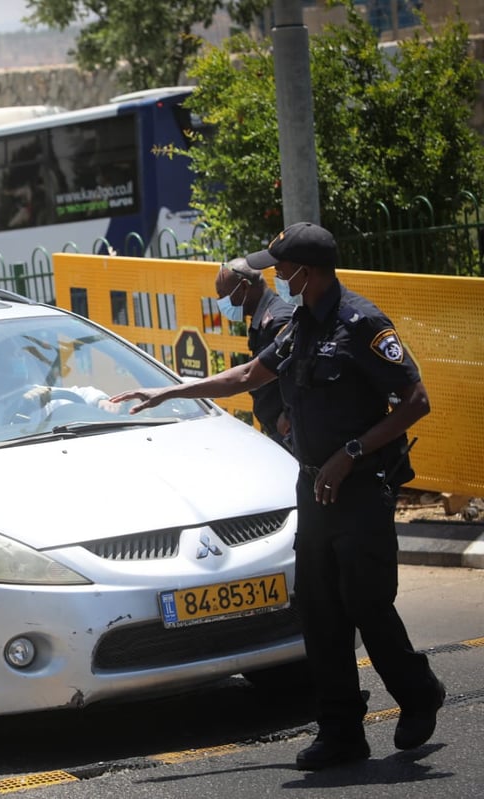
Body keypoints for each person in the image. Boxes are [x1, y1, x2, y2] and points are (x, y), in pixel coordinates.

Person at [111, 222, 444, 771]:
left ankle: (418, 693)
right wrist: (169, 389)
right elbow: (249, 373)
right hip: (315, 487)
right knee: (318, 611)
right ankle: (341, 732)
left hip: (360, 488)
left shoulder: (361, 323)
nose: (276, 274)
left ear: (305, 272)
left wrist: (351, 452)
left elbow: (416, 400)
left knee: (366, 604)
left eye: (282, 267)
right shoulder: (300, 326)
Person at [0, 337, 122, 429]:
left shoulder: (35, 393)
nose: (11, 365)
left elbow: (80, 394)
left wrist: (101, 401)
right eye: (0, 360)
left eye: (16, 356)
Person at [215, 257, 294, 447]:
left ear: (243, 287)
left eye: (223, 295)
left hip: (289, 431)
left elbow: (299, 371)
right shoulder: (262, 319)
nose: (220, 302)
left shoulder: (277, 320)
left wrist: (290, 413)